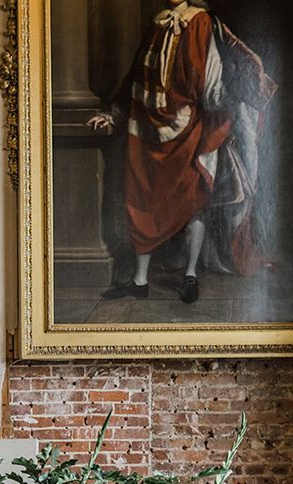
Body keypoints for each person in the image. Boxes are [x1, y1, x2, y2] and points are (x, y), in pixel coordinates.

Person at [89, 0, 277, 303]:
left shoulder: (202, 21)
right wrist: (114, 114)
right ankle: (139, 282)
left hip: (191, 131)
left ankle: (190, 275)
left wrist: (222, 109)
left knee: (194, 203)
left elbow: (213, 78)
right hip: (147, 130)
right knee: (143, 204)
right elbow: (137, 76)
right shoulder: (159, 22)